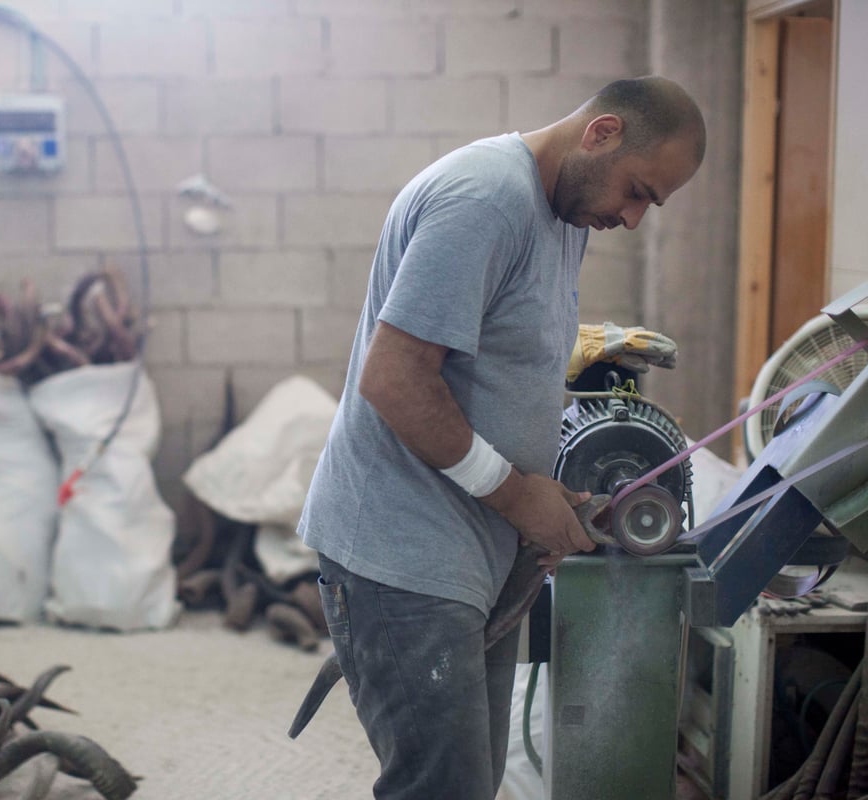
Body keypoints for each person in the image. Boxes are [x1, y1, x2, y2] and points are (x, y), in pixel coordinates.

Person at [295, 76, 706, 799]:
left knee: (467, 786)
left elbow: (502, 372)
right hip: (401, 552)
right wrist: (518, 496)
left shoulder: (566, 214)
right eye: (638, 191)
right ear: (601, 133)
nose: (634, 218)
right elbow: (394, 380)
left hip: (469, 545)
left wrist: (545, 497)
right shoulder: (486, 199)